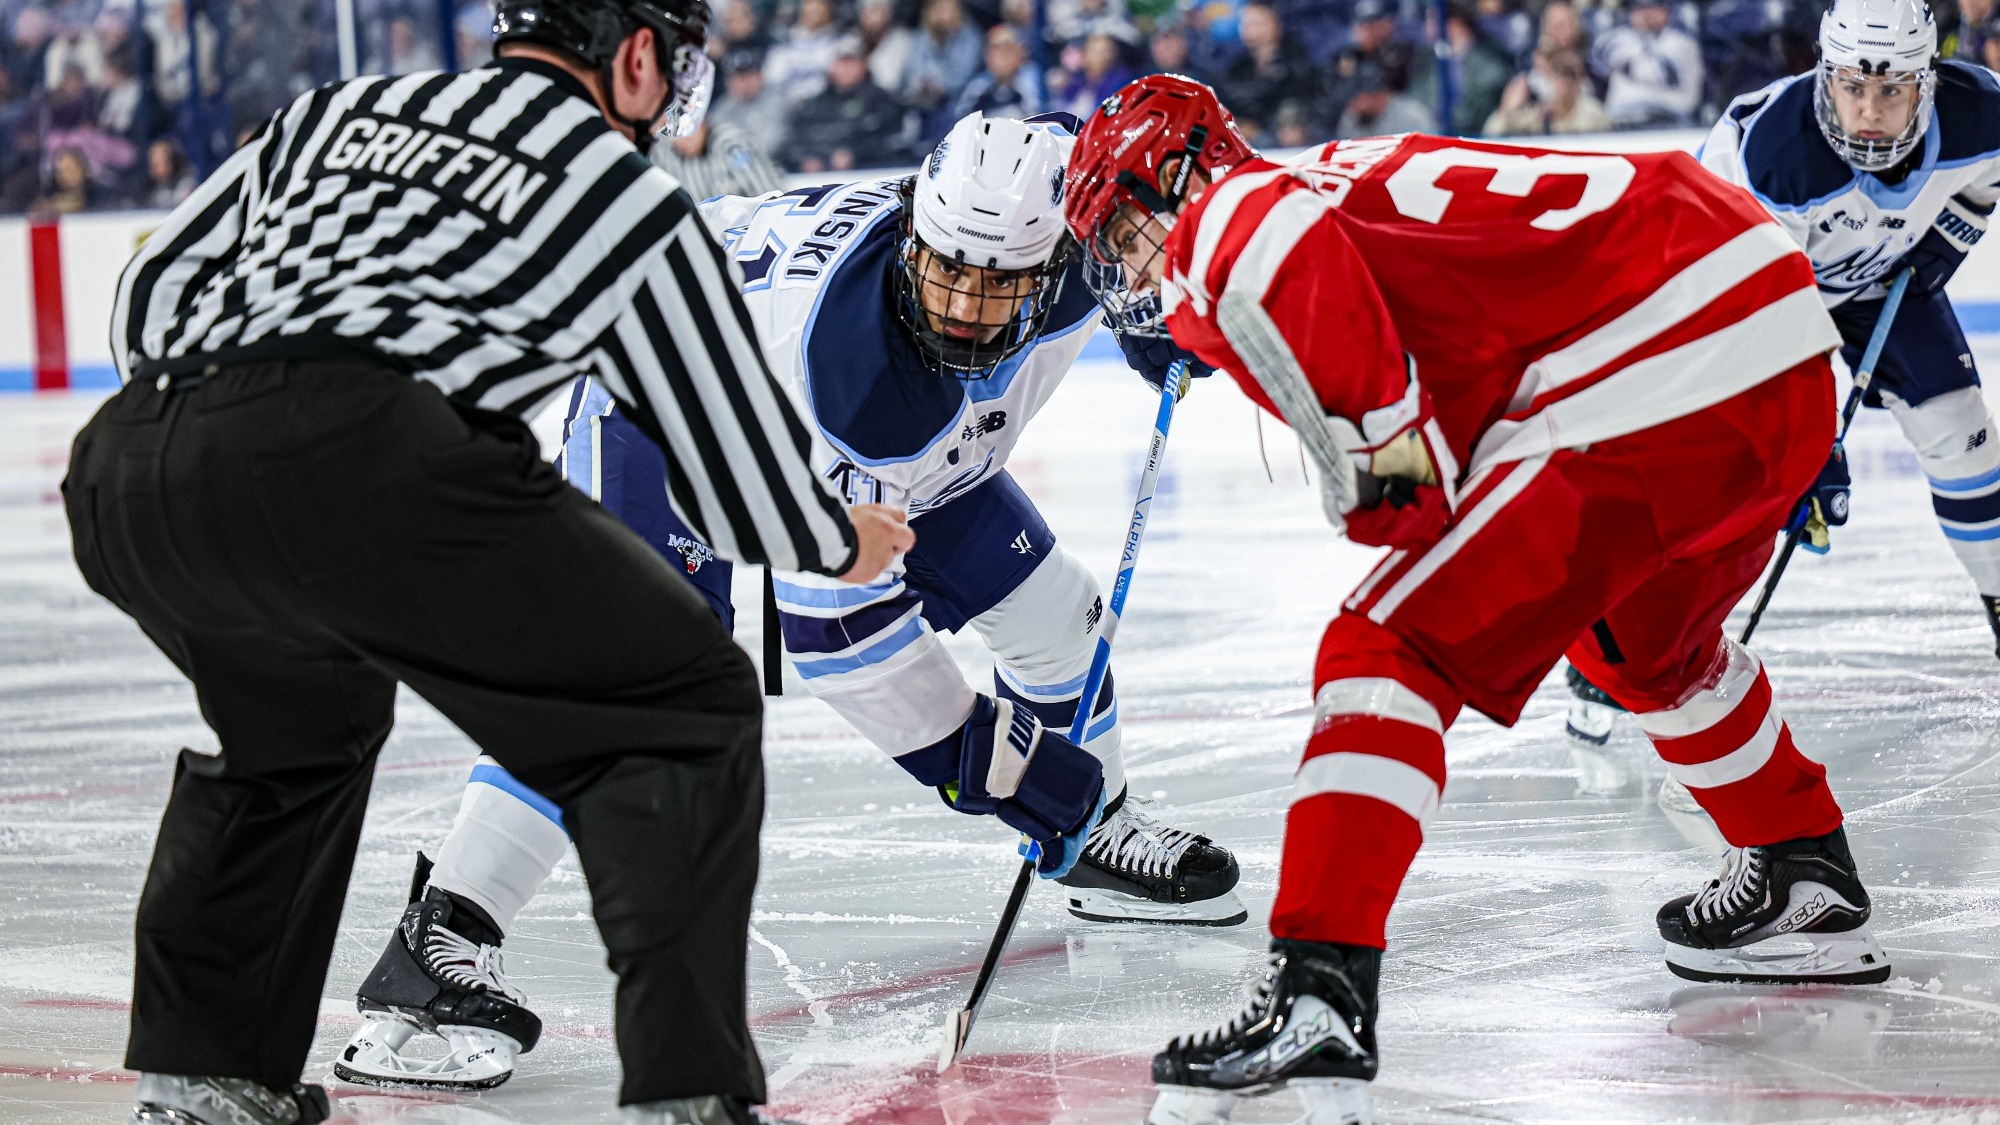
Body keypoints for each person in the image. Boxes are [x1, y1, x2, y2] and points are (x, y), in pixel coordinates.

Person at [70, 0, 918, 1120]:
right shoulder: (622, 194)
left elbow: (150, 290)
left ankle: (208, 1075)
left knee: (295, 738)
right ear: (631, 57)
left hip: (135, 464)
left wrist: (222, 425)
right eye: (670, 67)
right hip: (370, 453)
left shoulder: (337, 111)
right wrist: (832, 535)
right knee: (681, 698)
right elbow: (726, 474)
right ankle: (689, 1095)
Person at [334, 111, 1247, 1091]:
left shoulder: (1062, 207)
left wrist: (1145, 306)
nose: (964, 311)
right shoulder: (863, 380)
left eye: (997, 285)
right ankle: (433, 951)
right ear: (914, 236)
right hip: (672, 413)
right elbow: (843, 643)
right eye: (948, 273)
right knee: (620, 684)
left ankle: (1093, 836)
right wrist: (1010, 775)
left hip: (888, 433)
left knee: (1053, 611)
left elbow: (1130, 192)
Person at [1063, 73, 1890, 1124]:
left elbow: (1263, 247)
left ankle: (1318, 988)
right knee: (1639, 648)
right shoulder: (1329, 180)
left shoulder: (1229, 212)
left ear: (1173, 175)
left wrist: (1380, 463)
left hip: (1662, 371)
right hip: (1770, 347)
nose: (1129, 264)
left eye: (1125, 228)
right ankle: (1796, 869)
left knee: (1385, 647)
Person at [1565, 0, 2000, 810]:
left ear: (1928, 86)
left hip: (1877, 283)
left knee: (1965, 436)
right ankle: (1621, 643)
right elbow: (1748, 318)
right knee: (1739, 491)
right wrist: (1809, 449)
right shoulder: (1766, 154)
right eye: (1851, 92)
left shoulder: (1982, 111)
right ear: (1823, 75)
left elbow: (1984, 177)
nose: (1869, 117)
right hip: (1735, 311)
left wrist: (1945, 243)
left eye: (1893, 94)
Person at [785, 35, 909, 171]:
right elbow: (792, 140)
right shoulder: (813, 105)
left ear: (864, 64)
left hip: (869, 175)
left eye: (852, 62)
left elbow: (893, 141)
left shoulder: (881, 100)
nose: (846, 69)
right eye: (842, 62)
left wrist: (854, 154)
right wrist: (804, 159)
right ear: (831, 67)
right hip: (816, 178)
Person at [1591, 0, 1704, 126]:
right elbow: (1600, 58)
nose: (1646, 14)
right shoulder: (1619, 37)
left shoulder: (1682, 42)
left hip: (1673, 121)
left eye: (1653, 8)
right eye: (1640, 9)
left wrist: (1632, 62)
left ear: (1666, 11)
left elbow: (1663, 73)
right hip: (1622, 121)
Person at [1217, 1, 1314, 139]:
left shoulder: (1297, 60)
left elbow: (1300, 98)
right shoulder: (1237, 66)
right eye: (1246, 24)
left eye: (1257, 23)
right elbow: (1229, 100)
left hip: (1282, 132)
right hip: (1247, 133)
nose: (1251, 30)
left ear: (1275, 24)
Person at [1482, 45, 1612, 135]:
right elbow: (1491, 134)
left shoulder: (1593, 113)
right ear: (1549, 79)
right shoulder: (1538, 114)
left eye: (1570, 74)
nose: (1564, 81)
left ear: (1579, 81)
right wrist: (1506, 109)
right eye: (1558, 74)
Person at [650, 117, 787, 198]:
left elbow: (770, 195)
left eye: (690, 127)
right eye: (678, 132)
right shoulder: (665, 158)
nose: (686, 137)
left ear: (702, 120)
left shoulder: (730, 143)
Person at [705, 46, 787, 157]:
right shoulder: (723, 108)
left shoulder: (777, 102)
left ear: (760, 76)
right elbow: (715, 143)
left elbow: (772, 144)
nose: (743, 83)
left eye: (749, 76)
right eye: (738, 78)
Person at [954, 22, 1043, 117]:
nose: (1001, 56)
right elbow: (961, 119)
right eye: (995, 50)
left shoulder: (1035, 81)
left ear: (1019, 52)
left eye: (1007, 49)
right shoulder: (977, 88)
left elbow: (1042, 117)